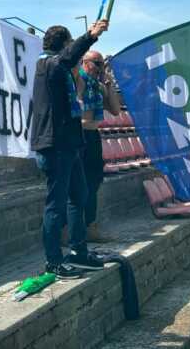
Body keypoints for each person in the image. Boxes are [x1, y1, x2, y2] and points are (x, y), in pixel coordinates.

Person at [29, 18, 110, 279]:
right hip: (55, 146)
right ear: (64, 45)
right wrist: (90, 35)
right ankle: (53, 261)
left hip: (69, 144)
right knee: (56, 205)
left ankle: (79, 251)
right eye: (70, 44)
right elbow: (66, 58)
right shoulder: (48, 64)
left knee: (80, 195)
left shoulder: (61, 69)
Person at [75, 50, 122, 242]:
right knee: (77, 184)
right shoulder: (79, 80)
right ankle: (71, 229)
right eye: (97, 63)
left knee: (93, 183)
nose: (100, 67)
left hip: (92, 137)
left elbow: (116, 110)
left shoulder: (99, 85)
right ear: (85, 62)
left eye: (102, 63)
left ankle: (91, 226)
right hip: (78, 136)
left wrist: (109, 84)